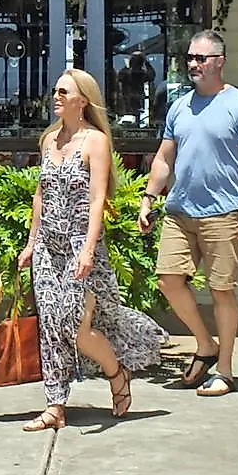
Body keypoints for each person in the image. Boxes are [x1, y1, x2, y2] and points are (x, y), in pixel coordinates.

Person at [20, 68, 163, 431]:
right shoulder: (49, 140)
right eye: (55, 91)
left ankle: (118, 373)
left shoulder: (95, 141)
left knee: (73, 324)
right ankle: (55, 406)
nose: (56, 97)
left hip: (80, 247)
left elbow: (99, 198)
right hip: (48, 249)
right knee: (51, 326)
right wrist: (31, 242)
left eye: (64, 92)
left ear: (82, 99)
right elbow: (41, 195)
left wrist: (87, 249)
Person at [138, 28, 238, 397]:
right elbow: (165, 158)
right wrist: (149, 197)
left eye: (201, 59)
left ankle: (224, 370)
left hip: (225, 213)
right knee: (168, 279)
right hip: (181, 211)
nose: (193, 64)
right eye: (190, 58)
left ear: (220, 62)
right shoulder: (180, 105)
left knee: (221, 290)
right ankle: (205, 344)